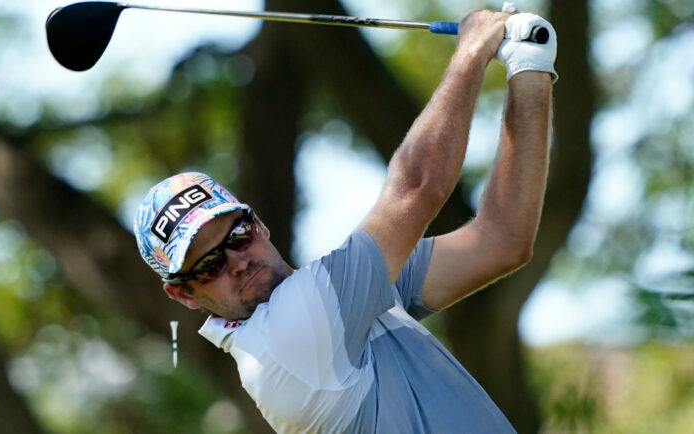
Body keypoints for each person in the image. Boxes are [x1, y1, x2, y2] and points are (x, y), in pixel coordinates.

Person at [134, 6, 556, 433]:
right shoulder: (284, 338)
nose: (237, 262)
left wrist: (530, 68)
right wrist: (471, 51)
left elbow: (501, 241)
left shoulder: (346, 300)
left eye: (238, 235)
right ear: (184, 294)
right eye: (209, 265)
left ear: (258, 224)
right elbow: (418, 185)